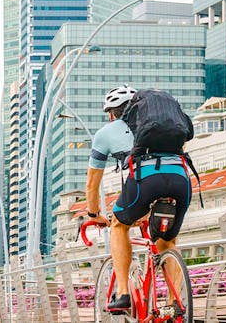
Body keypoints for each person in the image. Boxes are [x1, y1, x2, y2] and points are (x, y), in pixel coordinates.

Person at [84, 85, 192, 313]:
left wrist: (93, 214)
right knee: (167, 242)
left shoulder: (106, 133)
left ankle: (123, 293)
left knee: (118, 225)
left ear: (111, 113)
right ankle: (174, 304)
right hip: (181, 180)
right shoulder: (160, 125)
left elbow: (93, 184)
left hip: (147, 181)